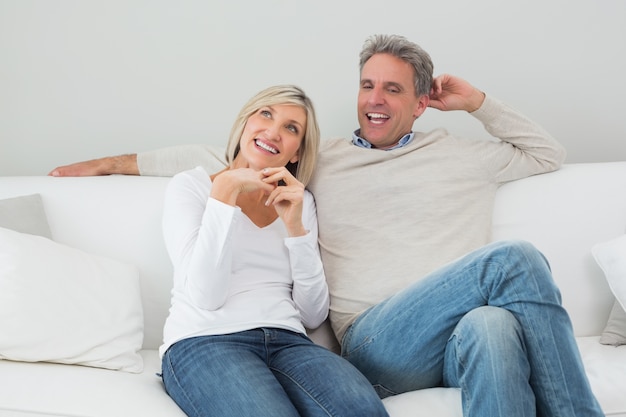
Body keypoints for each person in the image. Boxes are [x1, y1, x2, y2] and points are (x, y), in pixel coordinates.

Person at [49, 35, 604, 417]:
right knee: (514, 259)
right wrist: (108, 164)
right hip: (374, 338)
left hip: (444, 334)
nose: (374, 100)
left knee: (494, 325)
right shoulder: (325, 160)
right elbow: (227, 157)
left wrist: (479, 102)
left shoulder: (463, 157)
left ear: (421, 104)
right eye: (367, 85)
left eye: (393, 89)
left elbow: (545, 153)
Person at [155, 84, 388, 417]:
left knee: (364, 412)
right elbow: (206, 296)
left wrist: (296, 229)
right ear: (245, 124)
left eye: (291, 128)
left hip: (288, 341)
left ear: (296, 153)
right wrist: (224, 195)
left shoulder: (299, 202)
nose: (274, 132)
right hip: (205, 340)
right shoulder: (191, 187)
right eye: (266, 114)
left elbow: (312, 315)